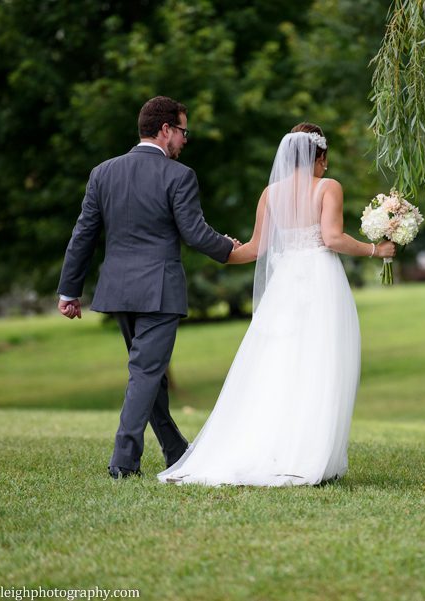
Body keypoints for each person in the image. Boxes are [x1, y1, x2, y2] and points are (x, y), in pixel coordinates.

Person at [158, 123, 396, 486]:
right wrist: (376, 249)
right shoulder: (327, 188)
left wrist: (221, 250)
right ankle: (309, 454)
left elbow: (255, 249)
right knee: (320, 363)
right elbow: (332, 238)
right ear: (319, 156)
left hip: (284, 284)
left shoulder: (272, 193)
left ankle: (273, 447)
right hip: (319, 281)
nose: (327, 166)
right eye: (326, 158)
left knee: (278, 361)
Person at [56, 96, 241, 479]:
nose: (185, 141)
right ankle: (123, 462)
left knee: (149, 374)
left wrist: (68, 291)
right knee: (145, 373)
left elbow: (83, 236)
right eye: (183, 131)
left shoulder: (102, 172)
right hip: (158, 291)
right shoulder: (179, 176)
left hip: (118, 290)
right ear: (165, 130)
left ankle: (175, 451)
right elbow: (194, 232)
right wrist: (229, 248)